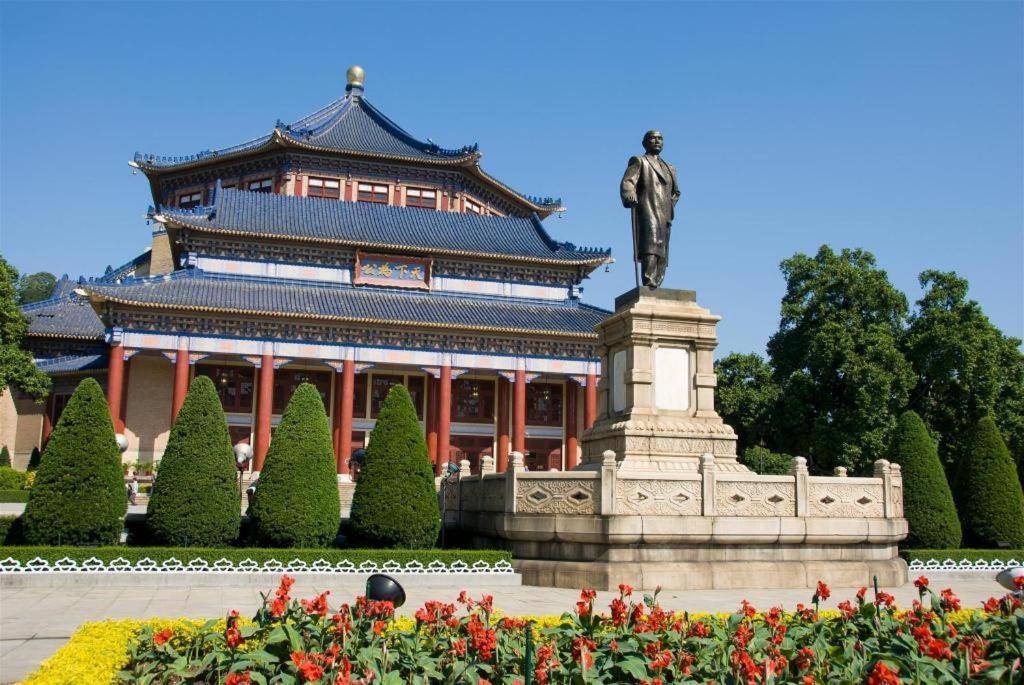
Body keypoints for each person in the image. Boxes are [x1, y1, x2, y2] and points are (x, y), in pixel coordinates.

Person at [620, 130, 681, 289]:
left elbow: (676, 192)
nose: (657, 141)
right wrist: (630, 194)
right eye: (652, 138)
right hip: (648, 209)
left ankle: (657, 283)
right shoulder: (640, 161)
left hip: (665, 214)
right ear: (645, 142)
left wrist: (668, 205)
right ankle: (649, 282)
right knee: (650, 246)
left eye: (660, 138)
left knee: (663, 251)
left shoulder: (670, 168)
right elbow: (628, 182)